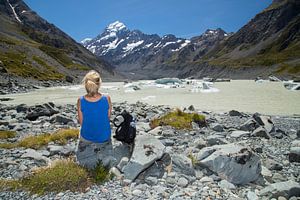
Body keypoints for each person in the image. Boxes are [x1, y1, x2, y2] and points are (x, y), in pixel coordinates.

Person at [75, 70, 115, 168]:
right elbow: (108, 117)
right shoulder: (107, 98)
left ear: (86, 84)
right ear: (99, 84)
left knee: (83, 134)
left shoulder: (80, 100)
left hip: (87, 137)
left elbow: (81, 122)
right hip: (104, 137)